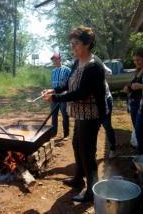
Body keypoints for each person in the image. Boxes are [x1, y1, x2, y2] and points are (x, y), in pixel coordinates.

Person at [43, 26, 106, 202]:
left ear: (87, 44)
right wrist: (53, 89)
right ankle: (78, 178)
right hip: (80, 114)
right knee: (77, 145)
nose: (72, 48)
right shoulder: (78, 62)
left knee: (87, 152)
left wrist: (55, 98)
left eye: (75, 44)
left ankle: (91, 190)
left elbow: (81, 93)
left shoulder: (94, 66)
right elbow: (68, 83)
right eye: (71, 44)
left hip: (91, 115)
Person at [50, 52, 71, 140]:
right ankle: (54, 133)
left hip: (63, 96)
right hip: (55, 96)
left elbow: (70, 83)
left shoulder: (67, 70)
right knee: (53, 115)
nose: (53, 61)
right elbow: (53, 84)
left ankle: (66, 134)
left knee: (65, 115)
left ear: (59, 59)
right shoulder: (53, 71)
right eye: (53, 60)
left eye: (54, 59)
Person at [101, 62, 116, 158]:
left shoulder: (96, 62)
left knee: (107, 125)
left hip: (105, 99)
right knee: (93, 127)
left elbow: (110, 72)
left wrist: (100, 72)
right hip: (93, 102)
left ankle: (113, 149)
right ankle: (92, 152)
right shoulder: (79, 65)